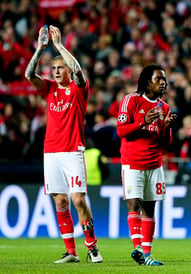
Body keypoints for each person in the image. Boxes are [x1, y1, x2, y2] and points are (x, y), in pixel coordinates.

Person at [24, 25, 103, 263]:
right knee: (60, 200)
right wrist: (40, 50)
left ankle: (92, 247)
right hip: (51, 153)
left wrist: (59, 46)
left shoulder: (78, 90)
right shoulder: (48, 89)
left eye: (60, 68)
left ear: (67, 70)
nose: (56, 72)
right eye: (54, 68)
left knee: (78, 199)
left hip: (72, 151)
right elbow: (29, 75)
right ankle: (71, 252)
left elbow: (79, 71)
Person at [117, 64, 177, 266]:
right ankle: (138, 248)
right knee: (134, 203)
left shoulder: (164, 107)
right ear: (146, 82)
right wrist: (143, 120)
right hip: (133, 162)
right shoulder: (131, 100)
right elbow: (121, 131)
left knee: (150, 208)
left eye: (164, 80)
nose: (163, 83)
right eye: (158, 79)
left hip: (154, 163)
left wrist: (167, 127)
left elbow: (165, 143)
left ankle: (148, 254)